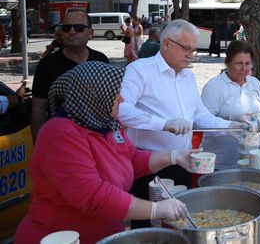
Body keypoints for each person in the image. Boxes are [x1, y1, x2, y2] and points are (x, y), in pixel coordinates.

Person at [16, 62, 193, 244]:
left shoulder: (107, 123)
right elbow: (93, 195)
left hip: (106, 234)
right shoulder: (59, 133)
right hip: (62, 236)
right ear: (93, 95)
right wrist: (156, 209)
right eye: (116, 93)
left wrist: (174, 156)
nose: (122, 99)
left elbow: (131, 159)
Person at [118, 20, 246, 227]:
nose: (191, 55)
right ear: (166, 44)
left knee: (181, 224)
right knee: (149, 226)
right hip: (149, 163)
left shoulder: (188, 77)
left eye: (194, 50)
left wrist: (229, 127)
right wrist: (164, 123)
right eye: (186, 49)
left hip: (183, 161)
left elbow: (201, 115)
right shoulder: (140, 70)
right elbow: (122, 111)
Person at [31, 10, 109, 140]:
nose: (71, 32)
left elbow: (111, 103)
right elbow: (38, 109)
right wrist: (39, 145)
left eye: (78, 28)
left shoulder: (101, 60)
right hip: (62, 141)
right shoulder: (47, 65)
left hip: (98, 138)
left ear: (90, 33)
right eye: (66, 28)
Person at [201, 40, 260, 169]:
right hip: (221, 161)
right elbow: (203, 123)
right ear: (227, 63)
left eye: (248, 63)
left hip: (251, 158)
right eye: (239, 63)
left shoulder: (254, 83)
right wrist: (232, 120)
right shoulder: (214, 86)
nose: (244, 68)